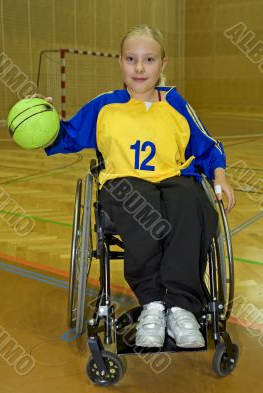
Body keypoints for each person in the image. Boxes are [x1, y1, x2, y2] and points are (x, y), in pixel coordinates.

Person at [30, 24, 235, 348]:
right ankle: (153, 305)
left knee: (191, 203)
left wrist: (220, 176)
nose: (140, 68)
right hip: (124, 182)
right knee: (143, 207)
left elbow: (208, 147)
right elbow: (65, 136)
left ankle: (181, 307)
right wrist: (43, 117)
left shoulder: (176, 103)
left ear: (163, 64)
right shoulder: (105, 105)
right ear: (120, 62)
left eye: (149, 59)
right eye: (131, 59)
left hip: (174, 177)